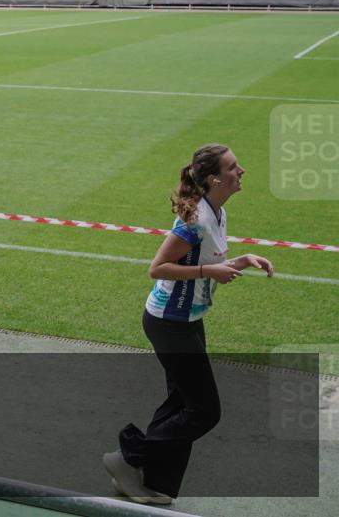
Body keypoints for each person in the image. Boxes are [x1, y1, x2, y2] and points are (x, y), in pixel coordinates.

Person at [103, 143, 274, 504]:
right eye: (233, 167)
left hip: (189, 321)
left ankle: (156, 483)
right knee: (205, 411)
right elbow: (157, 268)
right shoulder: (195, 221)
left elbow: (209, 263)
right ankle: (129, 457)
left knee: (182, 403)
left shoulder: (217, 212)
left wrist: (243, 259)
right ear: (214, 179)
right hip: (169, 323)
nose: (241, 170)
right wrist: (209, 271)